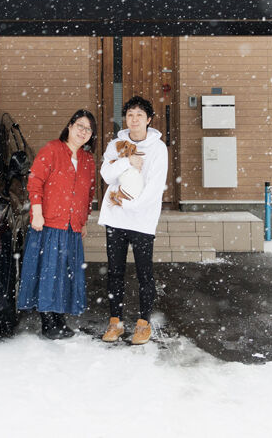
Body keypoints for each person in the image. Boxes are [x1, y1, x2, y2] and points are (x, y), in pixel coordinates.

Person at [17, 109, 98, 339]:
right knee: (49, 272)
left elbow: (88, 192)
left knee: (66, 274)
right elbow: (35, 181)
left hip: (72, 226)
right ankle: (48, 322)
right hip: (50, 223)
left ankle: (60, 318)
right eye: (80, 126)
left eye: (88, 129)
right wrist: (37, 212)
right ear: (70, 126)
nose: (83, 131)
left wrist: (83, 221)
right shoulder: (52, 150)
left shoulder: (87, 160)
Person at [99, 95, 169, 345]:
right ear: (125, 119)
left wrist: (130, 204)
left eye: (140, 114)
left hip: (141, 220)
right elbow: (106, 174)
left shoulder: (158, 148)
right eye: (130, 114)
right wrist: (127, 161)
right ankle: (115, 322)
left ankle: (143, 324)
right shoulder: (116, 144)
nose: (134, 119)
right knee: (115, 272)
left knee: (144, 273)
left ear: (149, 119)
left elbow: (154, 186)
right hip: (115, 219)